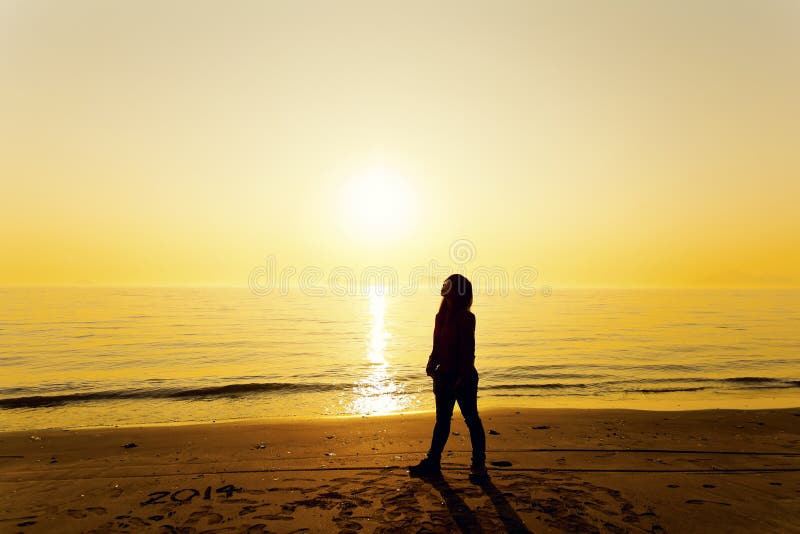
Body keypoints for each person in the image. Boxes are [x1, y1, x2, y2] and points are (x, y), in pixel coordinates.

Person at [409, 273, 487, 478]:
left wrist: (461, 378)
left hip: (463, 378)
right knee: (442, 421)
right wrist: (431, 364)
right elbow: (437, 346)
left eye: (449, 284)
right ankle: (433, 462)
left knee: (471, 420)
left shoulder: (466, 318)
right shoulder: (440, 317)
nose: (444, 287)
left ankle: (478, 466)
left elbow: (468, 351)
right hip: (443, 376)